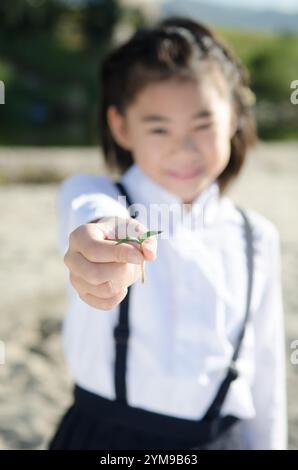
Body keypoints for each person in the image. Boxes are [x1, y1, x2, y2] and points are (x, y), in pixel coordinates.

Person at [48, 16, 287, 450]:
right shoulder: (98, 195)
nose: (184, 147)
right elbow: (87, 211)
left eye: (202, 124)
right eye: (159, 128)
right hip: (106, 438)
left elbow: (266, 369)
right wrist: (102, 237)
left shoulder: (257, 236)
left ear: (233, 117)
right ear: (121, 127)